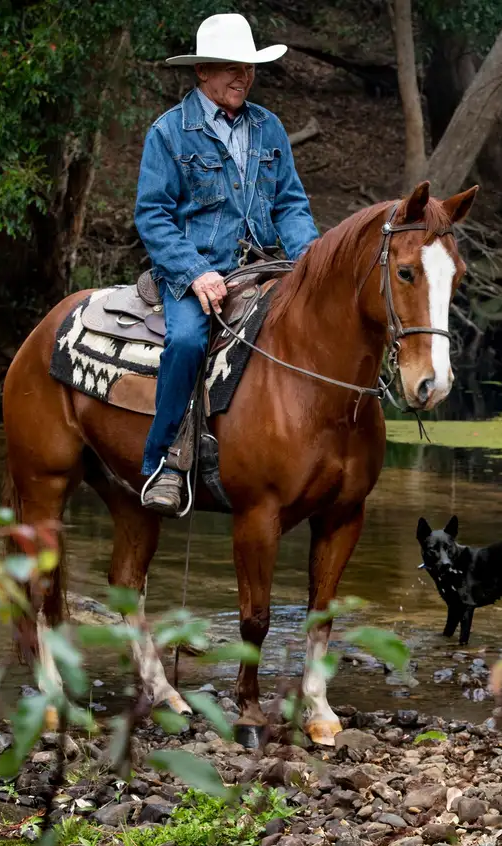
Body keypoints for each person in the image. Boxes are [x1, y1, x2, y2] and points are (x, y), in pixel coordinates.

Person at [134, 13, 319, 514]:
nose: (242, 77)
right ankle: (165, 463)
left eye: (249, 68)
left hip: (261, 267)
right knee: (189, 340)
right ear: (202, 72)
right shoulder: (170, 133)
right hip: (192, 272)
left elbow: (289, 206)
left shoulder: (269, 128)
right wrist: (195, 272)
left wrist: (311, 263)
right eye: (231, 68)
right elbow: (152, 215)